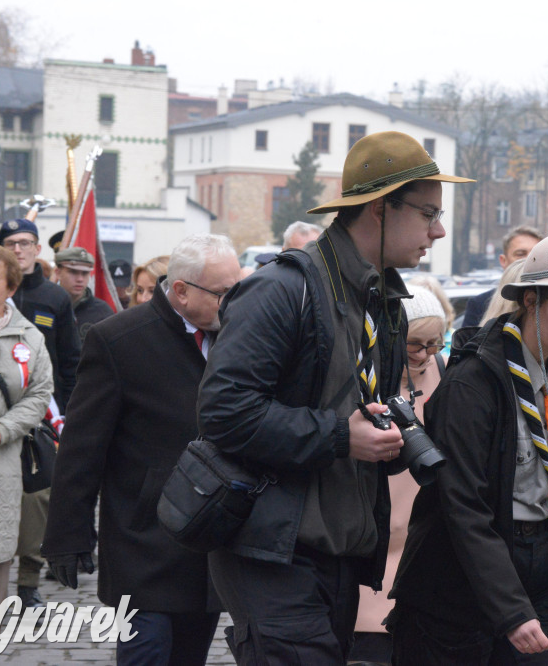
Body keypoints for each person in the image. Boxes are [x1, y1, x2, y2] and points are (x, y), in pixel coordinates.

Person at [197, 130, 473, 663]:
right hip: (273, 556)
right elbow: (222, 410)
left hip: (341, 558)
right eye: (427, 213)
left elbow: (356, 421)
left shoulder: (385, 302)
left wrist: (389, 438)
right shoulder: (283, 289)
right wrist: (340, 437)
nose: (438, 231)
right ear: (378, 208)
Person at [390, 233, 548, 665]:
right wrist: (511, 610)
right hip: (466, 575)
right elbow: (462, 505)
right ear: (531, 300)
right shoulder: (473, 382)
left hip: (547, 561)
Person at [42, 234, 240, 665]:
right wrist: (67, 532)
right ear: (182, 291)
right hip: (142, 541)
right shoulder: (119, 340)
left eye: (237, 290)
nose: (233, 303)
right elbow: (81, 446)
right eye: (223, 293)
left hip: (209, 543)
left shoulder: (237, 340)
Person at [351, 286, 449, 664]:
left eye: (435, 343)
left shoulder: (442, 371)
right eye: (415, 344)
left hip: (421, 536)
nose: (425, 354)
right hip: (377, 530)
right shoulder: (371, 377)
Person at [0, 218, 82, 611]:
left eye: (27, 242)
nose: (19, 250)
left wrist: (69, 412)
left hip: (43, 416)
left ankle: (28, 582)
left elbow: (70, 360)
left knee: (37, 501)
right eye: (12, 243)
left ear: (37, 250)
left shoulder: (54, 297)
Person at [0, 246, 52, 665]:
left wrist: (0, 430)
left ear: (9, 286)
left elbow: (39, 394)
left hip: (4, 467)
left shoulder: (30, 336)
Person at [462, 225, 543, 327]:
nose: (528, 260)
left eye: (535, 254)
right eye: (520, 254)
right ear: (503, 261)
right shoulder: (479, 304)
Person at [54, 246, 114, 341]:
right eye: (73, 272)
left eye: (85, 273)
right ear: (58, 273)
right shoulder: (48, 304)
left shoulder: (102, 311)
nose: (80, 279)